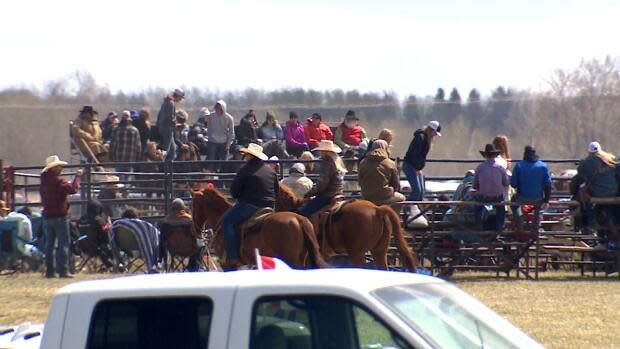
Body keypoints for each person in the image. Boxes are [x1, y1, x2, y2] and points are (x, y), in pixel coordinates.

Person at [220, 143, 278, 266]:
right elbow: (276, 191)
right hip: (269, 206)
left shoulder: (245, 170)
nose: (245, 156)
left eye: (246, 154)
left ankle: (232, 256)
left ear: (250, 156)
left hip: (251, 205)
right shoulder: (270, 171)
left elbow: (234, 192)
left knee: (227, 222)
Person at [39, 155, 83, 278]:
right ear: (54, 168)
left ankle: (50, 271)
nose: (61, 168)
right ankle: (63, 270)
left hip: (47, 215)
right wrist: (78, 177)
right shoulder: (59, 181)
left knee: (49, 244)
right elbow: (73, 189)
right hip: (59, 215)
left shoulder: (44, 181)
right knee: (63, 243)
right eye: (59, 166)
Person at [571, 141, 619, 249]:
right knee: (609, 208)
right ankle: (611, 224)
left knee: (585, 195)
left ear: (589, 152)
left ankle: (591, 221)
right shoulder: (611, 159)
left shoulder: (585, 163)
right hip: (613, 191)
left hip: (597, 193)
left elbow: (581, 176)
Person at [510, 146, 552, 239]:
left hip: (522, 197)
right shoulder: (543, 166)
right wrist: (546, 199)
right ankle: (535, 228)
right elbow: (548, 184)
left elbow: (513, 184)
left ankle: (519, 223)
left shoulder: (519, 165)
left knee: (513, 203)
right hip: (538, 198)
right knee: (538, 208)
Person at [298, 140, 346, 217]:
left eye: (321, 151)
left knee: (303, 212)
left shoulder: (327, 162)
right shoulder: (336, 161)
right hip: (338, 193)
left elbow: (322, 184)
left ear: (324, 151)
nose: (320, 152)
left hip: (328, 195)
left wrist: (308, 193)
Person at [472, 144, 510, 232]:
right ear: (495, 155)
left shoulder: (480, 167)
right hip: (497, 197)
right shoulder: (501, 167)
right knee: (501, 206)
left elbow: (475, 186)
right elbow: (506, 183)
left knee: (477, 204)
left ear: (485, 155)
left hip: (484, 197)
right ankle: (500, 226)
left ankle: (478, 224)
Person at [402, 121, 441, 201]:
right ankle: (407, 209)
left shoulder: (425, 139)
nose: (435, 135)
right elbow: (414, 154)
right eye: (435, 133)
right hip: (410, 165)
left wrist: (419, 168)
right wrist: (417, 168)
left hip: (415, 167)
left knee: (421, 191)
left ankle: (415, 210)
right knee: (417, 191)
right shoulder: (420, 138)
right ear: (431, 130)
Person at [359, 140, 405, 205]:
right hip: (385, 195)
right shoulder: (390, 163)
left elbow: (360, 181)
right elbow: (396, 183)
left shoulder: (363, 162)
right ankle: (394, 214)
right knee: (401, 198)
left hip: (367, 196)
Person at [163, 198, 202, 271]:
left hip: (172, 249)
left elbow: (163, 238)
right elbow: (195, 234)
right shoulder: (189, 219)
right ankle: (193, 266)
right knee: (201, 244)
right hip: (190, 249)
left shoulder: (166, 221)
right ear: (183, 207)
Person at [77, 199, 114, 269]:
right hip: (97, 248)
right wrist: (109, 224)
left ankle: (107, 265)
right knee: (110, 245)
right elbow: (106, 235)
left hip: (82, 248)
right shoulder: (98, 220)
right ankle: (119, 264)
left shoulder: (81, 219)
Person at [156, 88, 185, 162]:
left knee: (173, 150)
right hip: (167, 130)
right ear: (178, 96)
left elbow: (160, 116)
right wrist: (176, 124)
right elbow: (170, 117)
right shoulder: (171, 103)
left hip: (163, 128)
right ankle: (162, 168)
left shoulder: (166, 102)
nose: (180, 100)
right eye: (181, 98)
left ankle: (168, 170)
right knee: (166, 150)